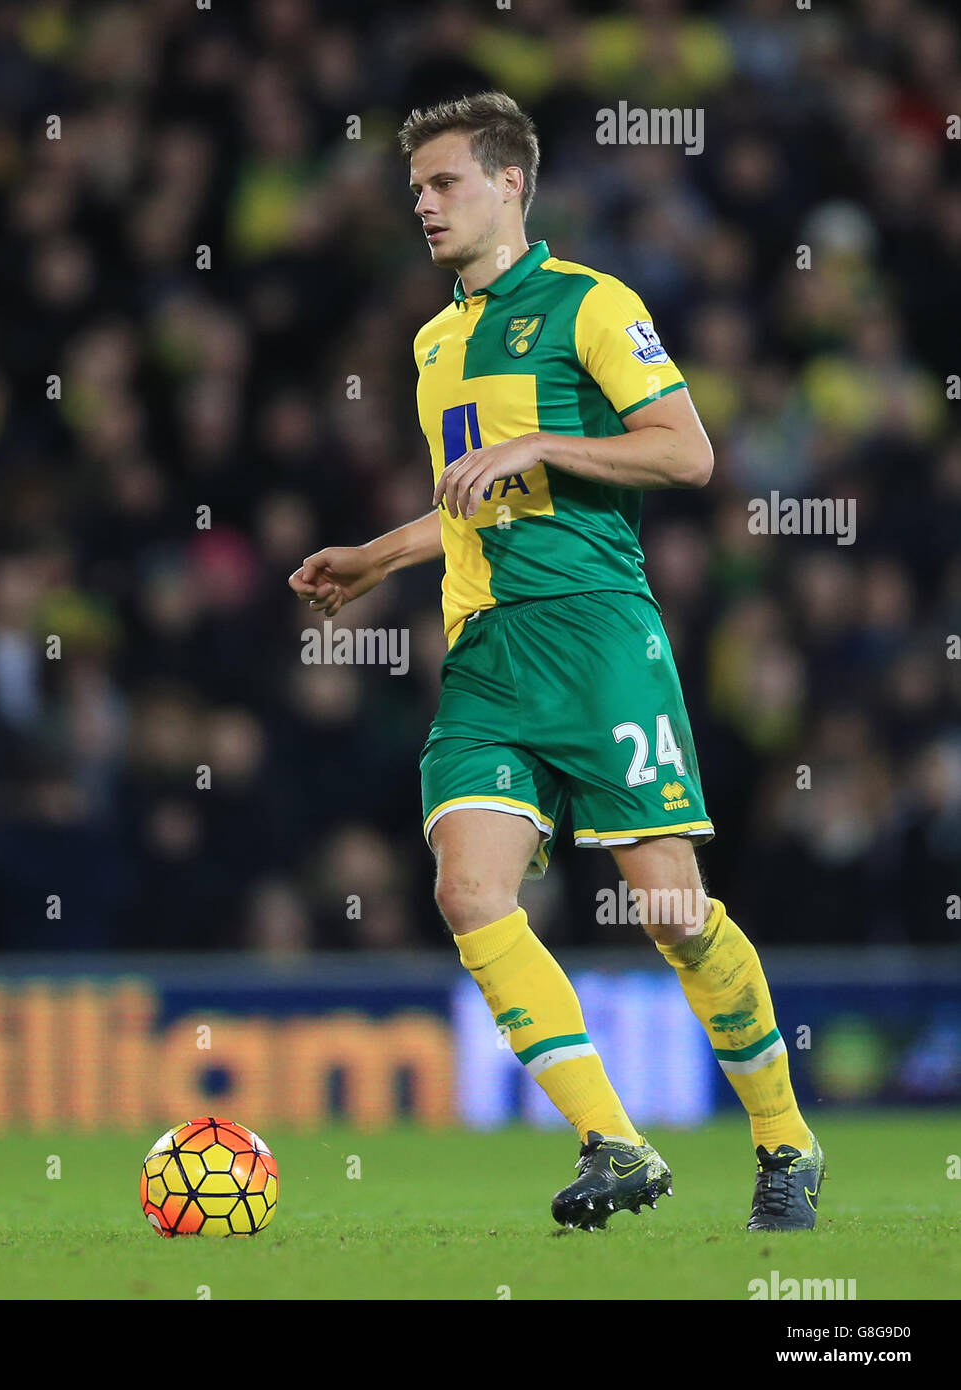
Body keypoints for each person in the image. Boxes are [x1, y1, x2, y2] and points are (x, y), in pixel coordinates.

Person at [289, 92, 822, 1232]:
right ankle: (612, 1141)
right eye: (417, 188)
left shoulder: (591, 304)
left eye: (445, 183)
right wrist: (380, 557)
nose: (424, 204)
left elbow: (686, 451)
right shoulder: (435, 343)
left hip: (597, 635)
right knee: (466, 887)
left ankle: (785, 1141)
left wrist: (546, 441)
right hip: (487, 651)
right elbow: (481, 503)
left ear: (510, 183)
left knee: (674, 914)